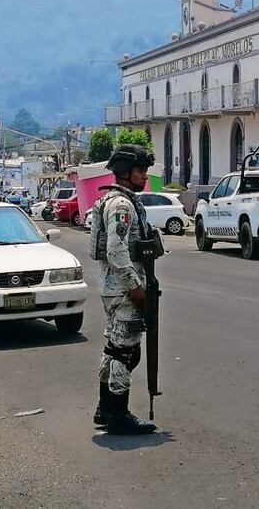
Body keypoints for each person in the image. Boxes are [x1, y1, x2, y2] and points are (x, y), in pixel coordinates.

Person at [88, 144, 158, 435]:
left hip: (114, 288)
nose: (145, 177)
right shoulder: (121, 205)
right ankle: (118, 413)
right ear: (126, 172)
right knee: (125, 352)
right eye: (141, 171)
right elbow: (117, 251)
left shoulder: (116, 200)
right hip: (124, 289)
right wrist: (135, 286)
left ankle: (105, 409)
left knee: (113, 348)